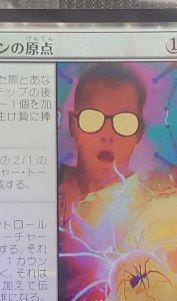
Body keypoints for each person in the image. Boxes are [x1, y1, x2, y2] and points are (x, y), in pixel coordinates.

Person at [58, 63, 146, 227]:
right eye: (91, 119)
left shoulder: (150, 212)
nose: (107, 135)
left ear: (139, 133)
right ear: (73, 125)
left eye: (125, 122)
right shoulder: (49, 182)